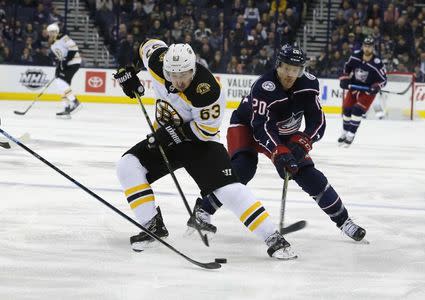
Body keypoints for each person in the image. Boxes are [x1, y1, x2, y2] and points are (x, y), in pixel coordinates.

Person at [113, 39, 297, 260]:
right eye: (173, 75)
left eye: (185, 74)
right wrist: (129, 72)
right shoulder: (156, 61)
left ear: (194, 68)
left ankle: (273, 238)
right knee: (128, 166)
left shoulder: (208, 91)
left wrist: (169, 134)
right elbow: (145, 45)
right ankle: (152, 226)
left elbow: (204, 131)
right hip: (166, 139)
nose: (179, 81)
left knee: (228, 190)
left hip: (200, 143)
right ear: (165, 69)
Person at [188, 44, 367, 243]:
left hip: (284, 133)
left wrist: (303, 142)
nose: (290, 75)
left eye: (296, 70)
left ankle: (344, 221)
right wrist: (279, 152)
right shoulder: (263, 87)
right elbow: (261, 128)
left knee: (309, 174)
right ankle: (203, 210)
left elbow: (318, 122)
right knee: (243, 169)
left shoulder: (308, 85)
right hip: (247, 127)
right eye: (286, 68)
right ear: (278, 66)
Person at [338, 36, 387, 146]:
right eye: (365, 46)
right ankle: (344, 132)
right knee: (346, 109)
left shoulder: (377, 63)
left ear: (373, 48)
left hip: (368, 92)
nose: (367, 48)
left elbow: (383, 80)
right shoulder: (355, 56)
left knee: (357, 110)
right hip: (354, 88)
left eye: (369, 46)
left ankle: (351, 134)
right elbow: (346, 69)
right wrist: (344, 78)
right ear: (363, 46)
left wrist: (376, 86)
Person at [47, 23, 82, 117]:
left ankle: (75, 102)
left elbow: (74, 48)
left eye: (53, 31)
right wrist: (58, 69)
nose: (52, 34)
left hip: (74, 62)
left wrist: (66, 61)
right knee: (62, 85)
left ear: (57, 31)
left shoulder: (63, 37)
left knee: (60, 82)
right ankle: (67, 108)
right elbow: (61, 58)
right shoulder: (52, 45)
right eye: (50, 32)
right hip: (67, 64)